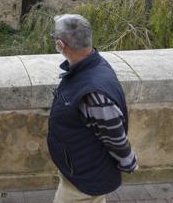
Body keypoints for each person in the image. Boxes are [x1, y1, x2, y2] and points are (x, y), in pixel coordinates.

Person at [47, 14, 138, 203]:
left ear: (61, 45)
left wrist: (128, 162)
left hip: (85, 178)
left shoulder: (94, 92)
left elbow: (115, 136)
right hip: (80, 169)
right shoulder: (89, 66)